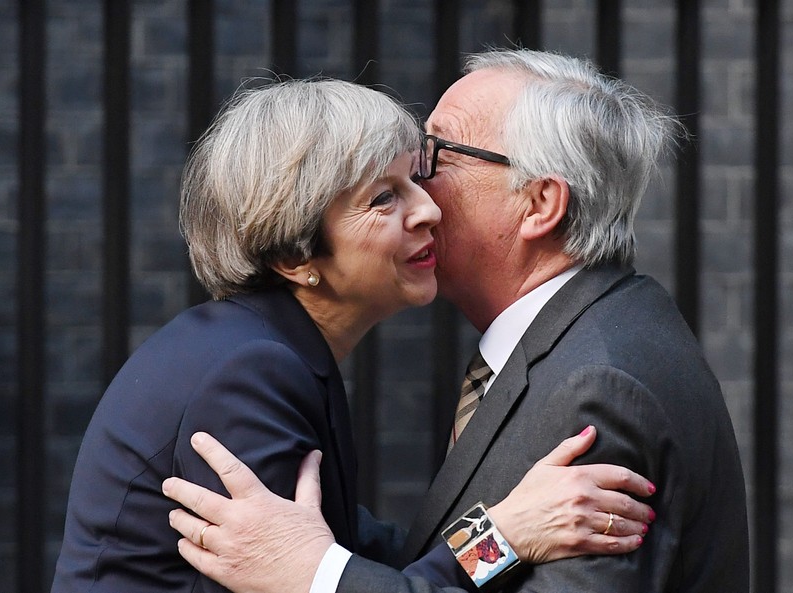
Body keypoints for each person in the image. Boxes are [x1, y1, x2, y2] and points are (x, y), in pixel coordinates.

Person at [163, 49, 750, 593]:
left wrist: (320, 577)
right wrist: (502, 534)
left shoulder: (597, 390)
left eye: (438, 154)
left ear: (540, 204)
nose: (419, 185)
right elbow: (431, 555)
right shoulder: (593, 335)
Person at [50, 78, 656, 593]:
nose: (429, 211)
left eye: (418, 180)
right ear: (294, 252)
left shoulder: (264, 349)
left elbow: (355, 553)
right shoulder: (248, 373)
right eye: (384, 197)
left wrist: (504, 525)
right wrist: (505, 537)